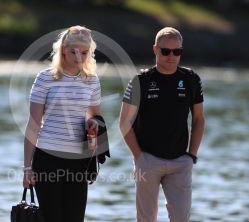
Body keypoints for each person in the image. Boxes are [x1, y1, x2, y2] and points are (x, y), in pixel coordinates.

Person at [119, 27, 205, 222]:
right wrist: (139, 157)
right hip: (148, 159)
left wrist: (191, 155)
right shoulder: (140, 80)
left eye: (177, 52)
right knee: (147, 218)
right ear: (155, 49)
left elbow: (199, 119)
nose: (171, 56)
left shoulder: (191, 79)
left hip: (181, 162)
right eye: (165, 51)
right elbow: (124, 122)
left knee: (181, 218)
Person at [23, 25, 101, 222]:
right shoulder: (45, 78)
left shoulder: (92, 81)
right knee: (51, 218)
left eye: (84, 52)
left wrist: (93, 128)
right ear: (63, 50)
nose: (78, 56)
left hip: (78, 161)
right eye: (73, 51)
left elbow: (96, 119)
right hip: (47, 157)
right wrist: (26, 168)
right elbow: (33, 124)